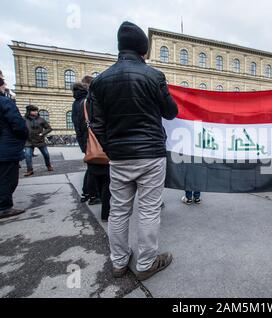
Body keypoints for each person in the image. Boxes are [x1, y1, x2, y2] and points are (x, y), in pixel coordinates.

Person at [90, 21, 178, 281]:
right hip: (151, 153)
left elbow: (96, 123)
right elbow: (170, 112)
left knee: (118, 210)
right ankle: (146, 264)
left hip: (119, 156)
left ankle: (118, 262)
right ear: (143, 50)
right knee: (149, 210)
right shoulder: (154, 76)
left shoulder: (100, 80)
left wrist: (112, 148)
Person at [74, 81, 111, 222]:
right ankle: (106, 212)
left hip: (89, 145)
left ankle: (91, 195)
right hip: (101, 145)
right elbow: (102, 124)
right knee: (107, 180)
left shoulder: (78, 103)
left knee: (95, 174)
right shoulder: (92, 102)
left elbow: (80, 126)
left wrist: (85, 145)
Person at [0, 76, 28, 219]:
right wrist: (23, 137)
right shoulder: (5, 102)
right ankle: (4, 207)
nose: (5, 86)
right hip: (6, 148)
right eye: (3, 83)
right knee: (7, 178)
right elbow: (19, 125)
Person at [72, 77, 101, 205]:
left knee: (92, 167)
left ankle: (88, 193)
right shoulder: (86, 101)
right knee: (94, 168)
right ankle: (92, 194)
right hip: (91, 139)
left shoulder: (77, 101)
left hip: (85, 139)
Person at [23, 105, 54, 177]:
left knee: (46, 154)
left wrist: (42, 134)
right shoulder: (24, 119)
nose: (36, 112)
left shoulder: (41, 119)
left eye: (36, 111)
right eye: (34, 111)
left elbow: (49, 128)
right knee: (27, 155)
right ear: (29, 112)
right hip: (29, 141)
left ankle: (48, 165)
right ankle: (30, 170)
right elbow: (20, 127)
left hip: (39, 140)